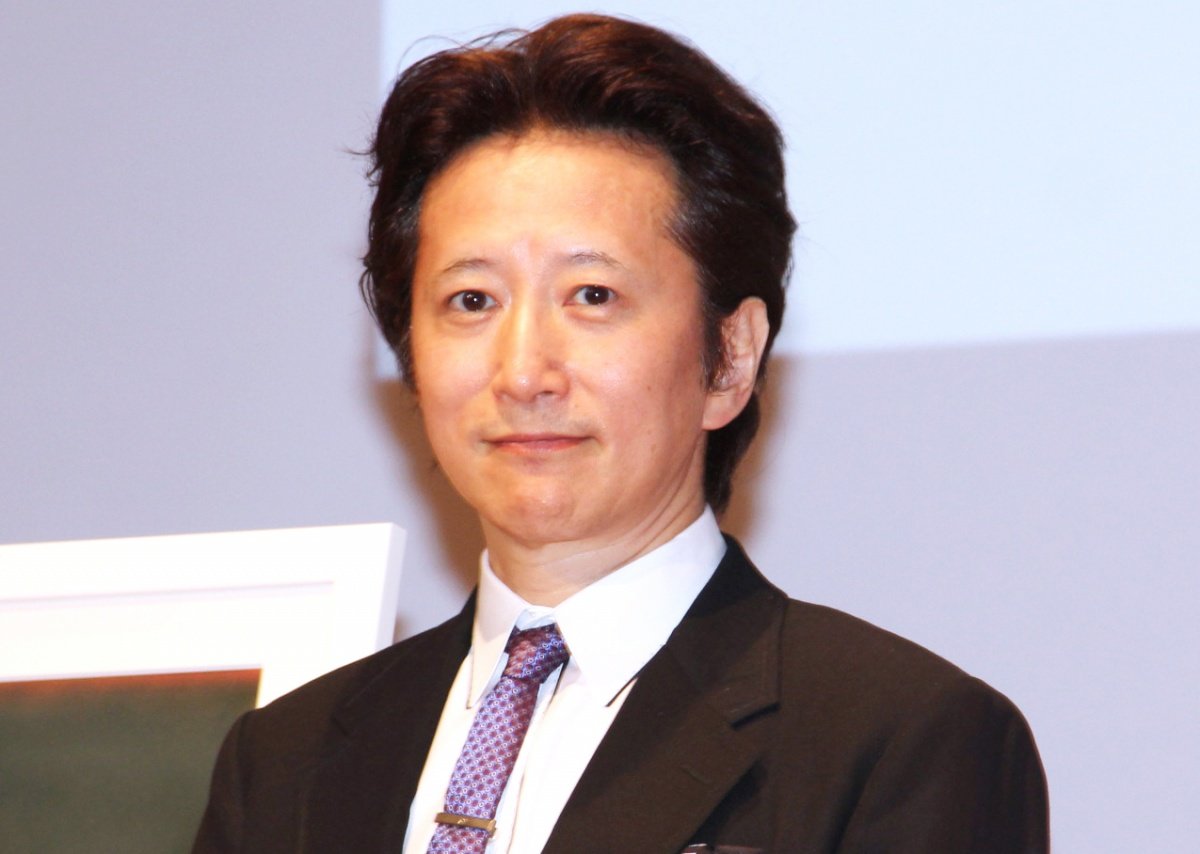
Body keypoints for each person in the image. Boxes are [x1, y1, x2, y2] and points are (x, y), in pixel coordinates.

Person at [193, 13, 1048, 853]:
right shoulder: (282, 763)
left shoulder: (900, 741)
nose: (523, 372)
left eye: (593, 296)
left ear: (730, 357)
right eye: (472, 300)